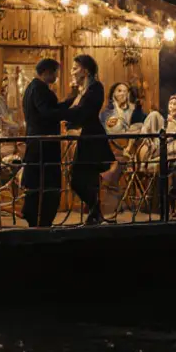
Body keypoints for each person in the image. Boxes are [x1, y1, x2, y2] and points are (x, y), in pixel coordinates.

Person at [63, 54, 112, 225]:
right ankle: (95, 213)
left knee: (81, 178)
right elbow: (75, 110)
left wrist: (65, 117)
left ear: (85, 69)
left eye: (75, 68)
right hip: (86, 136)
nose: (72, 71)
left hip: (93, 137)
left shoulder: (95, 88)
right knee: (80, 178)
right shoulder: (82, 90)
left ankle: (95, 212)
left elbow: (84, 111)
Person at [21, 58, 69, 227]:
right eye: (56, 72)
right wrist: (68, 110)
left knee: (36, 182)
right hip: (44, 144)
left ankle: (34, 218)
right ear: (47, 72)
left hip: (36, 143)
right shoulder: (40, 89)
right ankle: (41, 221)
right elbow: (48, 113)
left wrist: (67, 103)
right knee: (49, 184)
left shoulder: (32, 88)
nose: (57, 76)